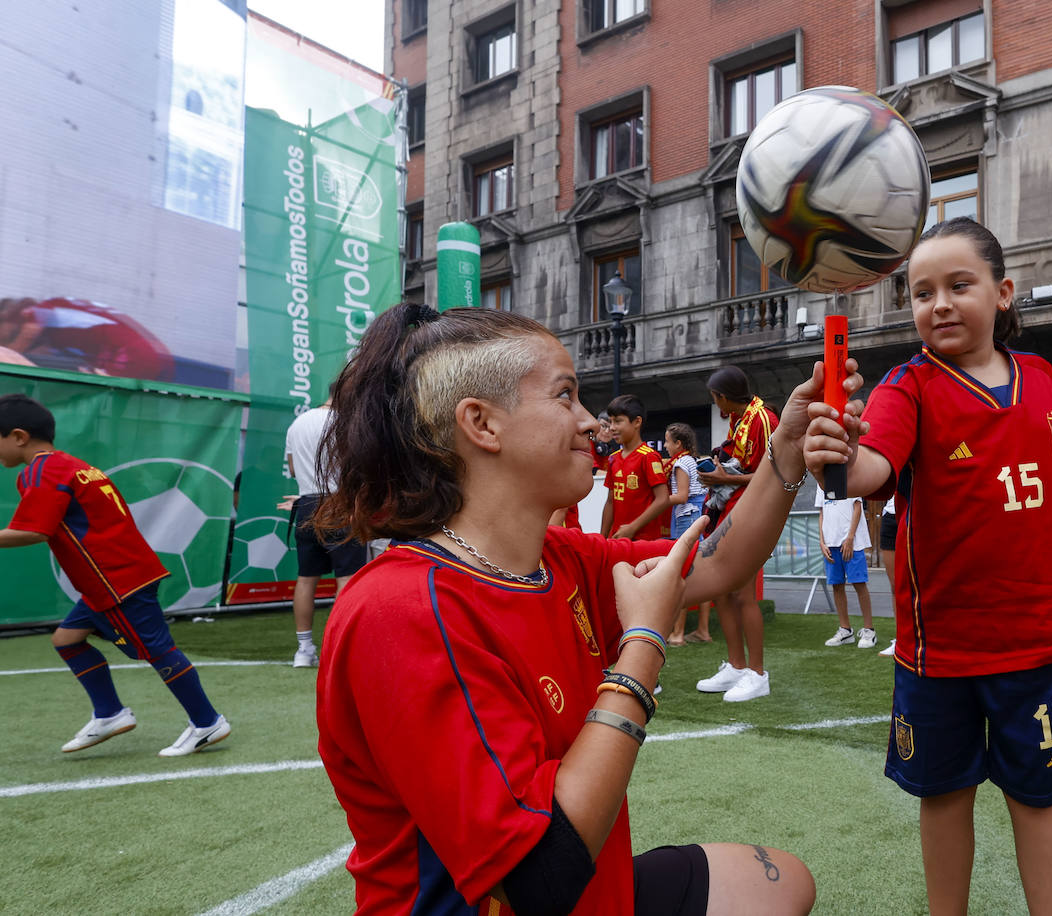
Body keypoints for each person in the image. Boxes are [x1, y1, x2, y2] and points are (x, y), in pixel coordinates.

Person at [311, 305, 818, 914]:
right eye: (566, 395)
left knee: (777, 882)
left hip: (588, 888)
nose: (591, 423)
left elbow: (718, 564)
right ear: (482, 424)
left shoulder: (562, 556)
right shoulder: (400, 609)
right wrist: (643, 648)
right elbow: (538, 879)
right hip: (542, 886)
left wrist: (787, 452)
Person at [804, 217, 1052, 915]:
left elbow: (1046, 487)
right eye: (920, 291)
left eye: (958, 285)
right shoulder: (906, 387)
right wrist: (839, 454)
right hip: (940, 649)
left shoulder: (1043, 378)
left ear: (1003, 292)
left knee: (1040, 796)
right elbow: (873, 466)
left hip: (1037, 638)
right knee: (943, 794)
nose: (938, 303)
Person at [0, 394, 230, 757]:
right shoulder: (72, 465)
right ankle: (109, 714)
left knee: (158, 650)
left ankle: (207, 722)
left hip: (116, 579)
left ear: (18, 436)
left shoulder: (42, 471)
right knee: (67, 639)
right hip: (113, 577)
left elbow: (34, 531)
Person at [695, 366, 779, 703]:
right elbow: (738, 461)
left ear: (725, 396)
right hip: (729, 508)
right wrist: (718, 467)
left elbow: (770, 474)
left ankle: (758, 674)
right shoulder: (739, 417)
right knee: (723, 590)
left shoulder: (764, 419)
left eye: (716, 397)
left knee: (744, 593)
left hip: (751, 511)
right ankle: (736, 665)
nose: (716, 404)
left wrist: (723, 479)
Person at [283, 392, 367, 668]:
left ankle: (304, 650)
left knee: (306, 579)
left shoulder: (298, 423)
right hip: (339, 502)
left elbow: (293, 469)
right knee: (347, 579)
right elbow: (356, 468)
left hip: (307, 502)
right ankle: (339, 649)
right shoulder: (345, 422)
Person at [600, 394, 670, 541]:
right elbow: (610, 501)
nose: (612, 427)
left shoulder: (648, 456)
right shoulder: (613, 458)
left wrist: (633, 527)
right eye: (611, 421)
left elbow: (663, 499)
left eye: (618, 421)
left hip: (645, 540)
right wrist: (602, 538)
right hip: (617, 539)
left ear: (637, 422)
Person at [664, 422, 708, 647]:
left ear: (678, 443)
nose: (665, 446)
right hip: (695, 517)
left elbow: (681, 496)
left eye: (668, 441)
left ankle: (678, 633)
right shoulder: (692, 460)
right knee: (697, 573)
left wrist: (656, 501)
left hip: (685, 519)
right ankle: (703, 630)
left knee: (682, 574)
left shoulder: (681, 463)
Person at [815, 489, 876, 649]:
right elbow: (822, 511)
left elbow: (857, 507)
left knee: (859, 583)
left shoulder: (849, 475)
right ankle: (845, 630)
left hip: (852, 543)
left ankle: (869, 630)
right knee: (836, 585)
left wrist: (849, 538)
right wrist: (822, 541)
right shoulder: (821, 482)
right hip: (830, 543)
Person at [877, 495, 899, 656]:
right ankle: (901, 640)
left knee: (924, 584)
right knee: (895, 586)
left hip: (919, 513)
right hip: (891, 516)